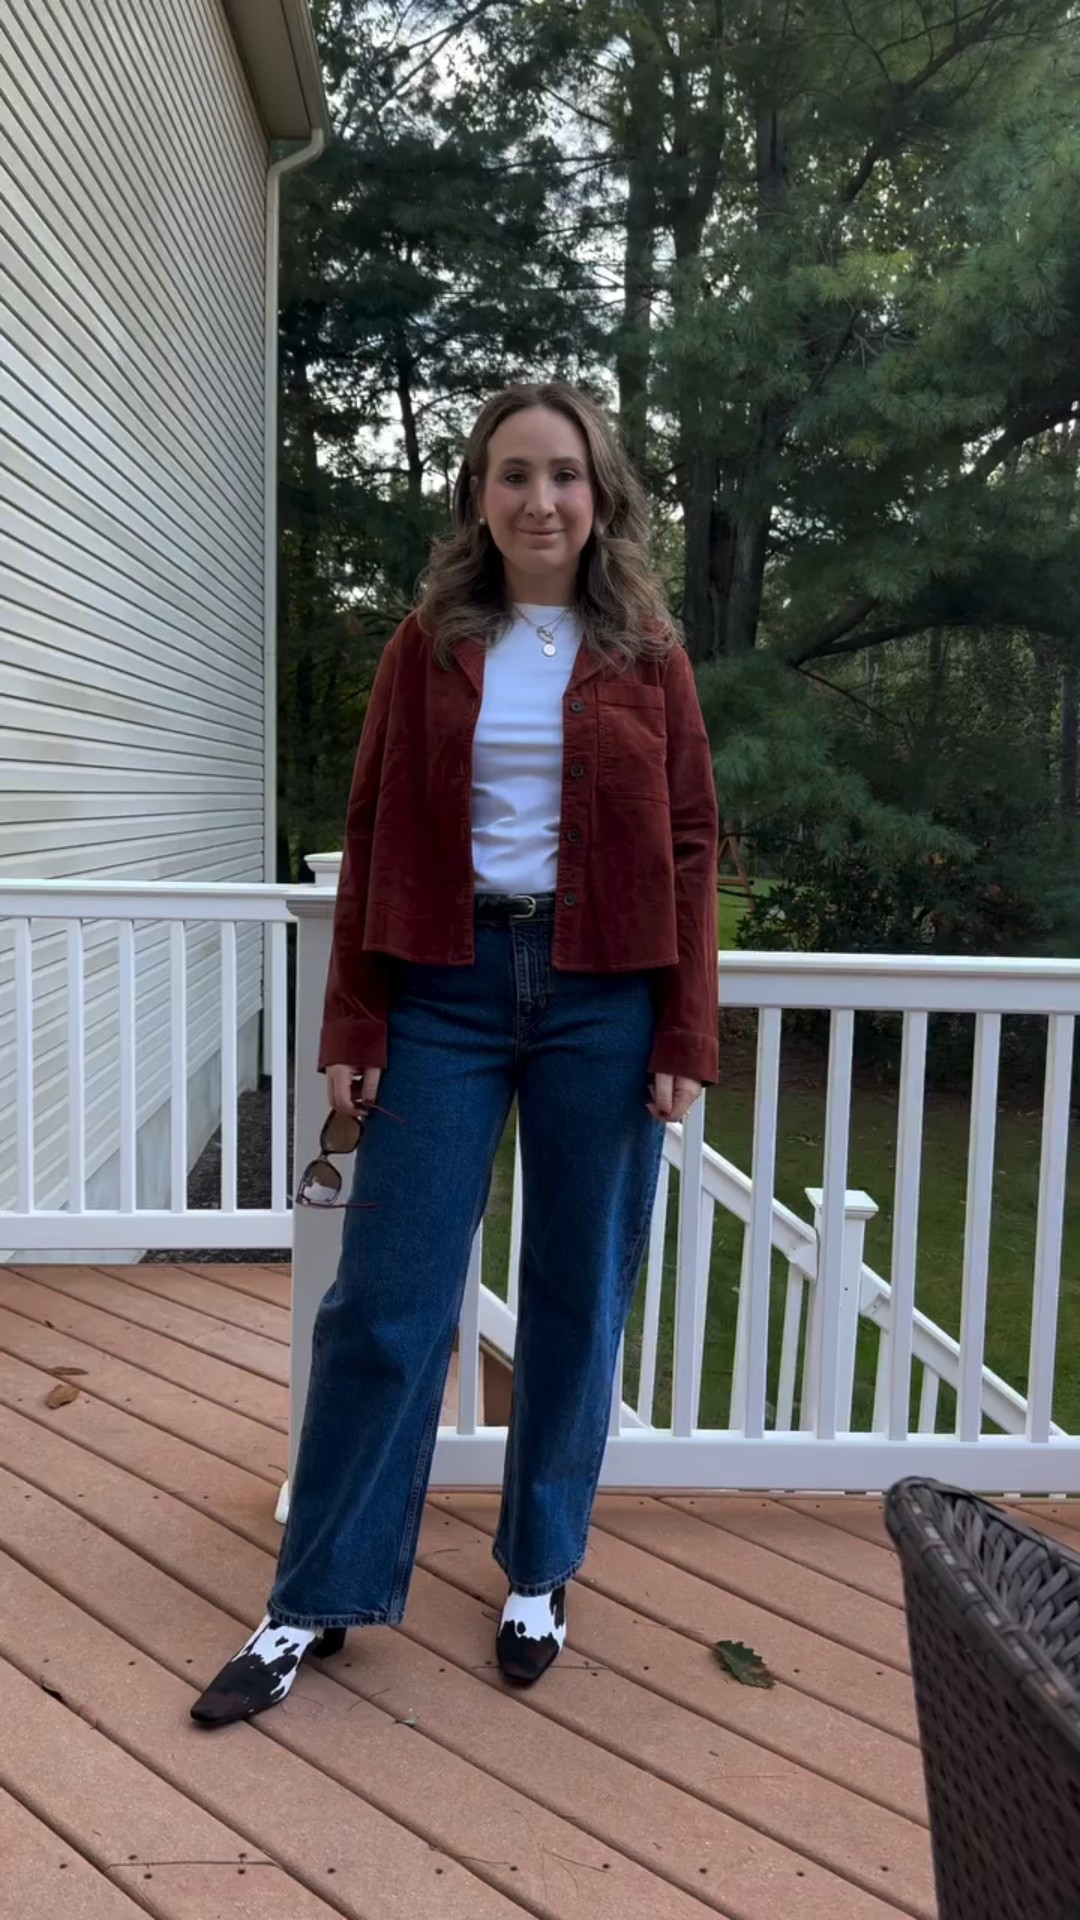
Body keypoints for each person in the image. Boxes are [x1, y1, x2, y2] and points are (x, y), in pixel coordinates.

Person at [190, 379, 719, 1727]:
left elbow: (694, 843)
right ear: (478, 497)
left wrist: (682, 1028)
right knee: (386, 1303)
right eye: (512, 475)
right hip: (447, 989)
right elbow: (372, 833)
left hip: (605, 995)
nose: (539, 500)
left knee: (575, 1296)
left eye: (563, 475)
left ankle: (540, 1570)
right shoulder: (429, 646)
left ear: (599, 497)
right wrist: (355, 1020)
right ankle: (316, 1594)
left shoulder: (647, 652)